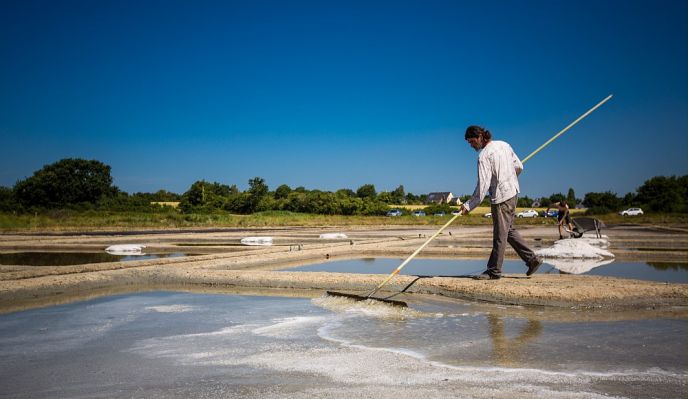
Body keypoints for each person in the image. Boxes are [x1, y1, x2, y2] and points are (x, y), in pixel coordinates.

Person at [459, 125, 542, 280]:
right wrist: (508, 177)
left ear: (479, 137)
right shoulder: (504, 144)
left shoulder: (484, 156)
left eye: (471, 142)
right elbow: (519, 166)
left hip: (502, 197)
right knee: (507, 231)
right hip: (513, 192)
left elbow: (482, 187)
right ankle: (532, 260)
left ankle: (494, 271)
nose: (471, 146)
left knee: (500, 235)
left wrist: (468, 205)